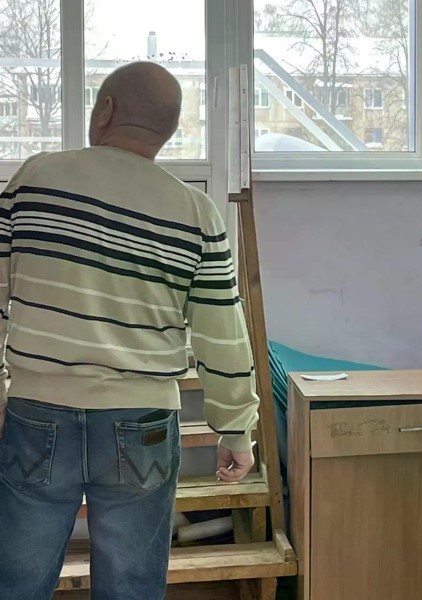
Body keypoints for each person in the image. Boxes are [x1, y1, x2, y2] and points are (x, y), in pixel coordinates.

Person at [0, 62, 260, 600]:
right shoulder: (195, 212)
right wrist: (236, 430)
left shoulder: (34, 180)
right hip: (142, 421)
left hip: (37, 411)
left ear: (106, 109)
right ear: (168, 130)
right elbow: (223, 336)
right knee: (132, 588)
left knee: (16, 580)